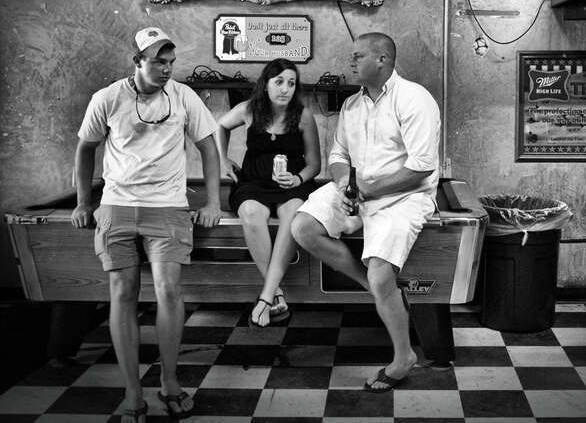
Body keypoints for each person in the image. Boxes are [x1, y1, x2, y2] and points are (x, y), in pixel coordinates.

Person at [71, 27, 221, 423]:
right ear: (137, 61)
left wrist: (213, 200)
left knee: (169, 291)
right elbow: (85, 148)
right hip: (117, 206)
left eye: (170, 62)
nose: (166, 69)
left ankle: (170, 382)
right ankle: (132, 392)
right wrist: (85, 202)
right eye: (158, 62)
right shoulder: (107, 98)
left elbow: (208, 146)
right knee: (122, 292)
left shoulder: (184, 96)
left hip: (168, 207)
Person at [291, 32, 440, 392]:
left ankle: (403, 357)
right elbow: (339, 157)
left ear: (383, 60)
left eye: (358, 56)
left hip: (405, 197)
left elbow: (421, 167)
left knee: (381, 273)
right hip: (358, 190)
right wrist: (344, 187)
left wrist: (366, 190)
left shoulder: (415, 99)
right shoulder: (352, 106)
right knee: (302, 227)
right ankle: (371, 287)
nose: (351, 62)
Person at [216, 58, 321, 327]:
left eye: (291, 83)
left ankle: (266, 296)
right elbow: (220, 126)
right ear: (266, 85)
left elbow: (314, 164)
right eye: (279, 82)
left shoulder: (303, 115)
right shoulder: (249, 110)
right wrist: (224, 161)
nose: (285, 89)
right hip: (253, 183)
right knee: (250, 213)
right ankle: (276, 292)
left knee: (293, 215)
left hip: (293, 186)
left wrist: (297, 178)